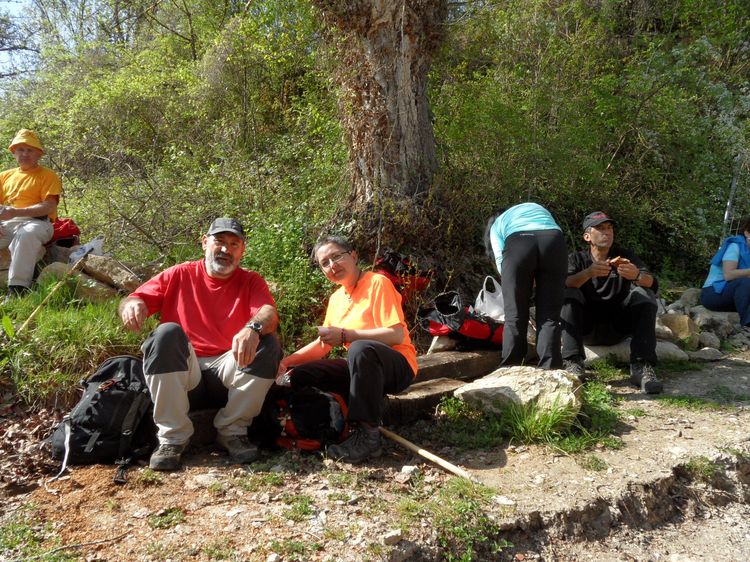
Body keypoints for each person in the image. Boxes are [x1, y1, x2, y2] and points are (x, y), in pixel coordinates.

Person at [119, 217, 281, 470]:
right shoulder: (179, 273)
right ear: (205, 243)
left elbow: (268, 313)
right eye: (219, 241)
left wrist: (253, 328)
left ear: (242, 250)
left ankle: (233, 431)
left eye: (234, 244)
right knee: (165, 333)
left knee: (268, 343)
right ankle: (172, 438)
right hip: (185, 374)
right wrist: (132, 304)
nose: (226, 249)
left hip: (228, 372)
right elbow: (134, 299)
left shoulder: (250, 280)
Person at [278, 236, 417, 463]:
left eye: (336, 257)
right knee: (302, 374)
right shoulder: (336, 298)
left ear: (353, 256)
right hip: (361, 368)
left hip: (397, 366)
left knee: (360, 349)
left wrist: (347, 335)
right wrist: (287, 362)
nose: (332, 265)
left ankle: (368, 437)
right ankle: (333, 423)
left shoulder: (377, 283)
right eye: (325, 263)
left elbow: (395, 335)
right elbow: (323, 344)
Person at [560, 211, 663, 394]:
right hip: (586, 328)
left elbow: (652, 283)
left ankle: (641, 367)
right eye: (600, 228)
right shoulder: (576, 259)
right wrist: (588, 273)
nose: (607, 232)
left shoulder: (624, 257)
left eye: (609, 228)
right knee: (568, 293)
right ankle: (573, 363)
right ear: (587, 236)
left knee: (644, 293)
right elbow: (563, 283)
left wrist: (636, 275)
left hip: (618, 326)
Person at [484, 202, 567, 369]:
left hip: (519, 243)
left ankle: (511, 366)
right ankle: (551, 367)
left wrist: (517, 279)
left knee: (514, 314)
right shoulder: (535, 209)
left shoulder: (497, 224)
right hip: (553, 240)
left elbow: (500, 260)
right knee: (550, 315)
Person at [0, 129, 62, 298]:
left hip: (38, 223)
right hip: (6, 223)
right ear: (14, 152)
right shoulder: (4, 176)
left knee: (26, 234)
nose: (25, 154)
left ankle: (17, 290)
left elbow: (49, 206)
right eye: (20, 149)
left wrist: (15, 212)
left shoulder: (48, 175)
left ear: (38, 154)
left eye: (30, 150)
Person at [700, 216, 750, 327]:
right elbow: (728, 275)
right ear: (747, 233)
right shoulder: (735, 246)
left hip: (738, 297)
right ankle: (747, 325)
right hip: (713, 293)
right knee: (745, 282)